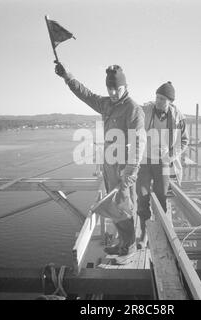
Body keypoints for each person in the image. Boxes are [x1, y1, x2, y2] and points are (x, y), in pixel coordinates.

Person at [55, 62, 145, 256]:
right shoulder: (106, 104)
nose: (113, 92)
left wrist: (129, 173)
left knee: (122, 206)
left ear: (125, 87)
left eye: (117, 88)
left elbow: (139, 144)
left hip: (123, 167)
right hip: (109, 164)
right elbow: (85, 94)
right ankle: (123, 241)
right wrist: (67, 77)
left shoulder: (133, 109)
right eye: (109, 88)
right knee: (115, 205)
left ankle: (128, 247)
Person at [137, 82, 189, 241]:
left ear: (170, 101)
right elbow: (131, 114)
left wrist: (171, 156)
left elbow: (184, 140)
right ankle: (145, 233)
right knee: (142, 196)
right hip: (145, 161)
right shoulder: (146, 110)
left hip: (163, 162)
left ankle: (160, 232)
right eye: (157, 97)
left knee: (161, 198)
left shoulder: (178, 116)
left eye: (162, 99)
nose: (158, 101)